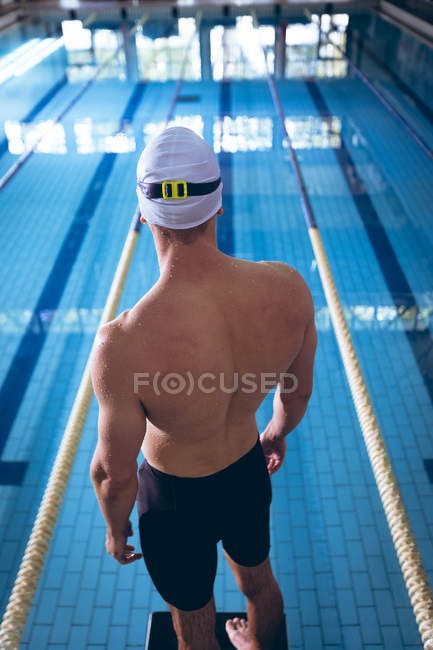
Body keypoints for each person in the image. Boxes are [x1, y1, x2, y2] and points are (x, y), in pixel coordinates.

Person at [90, 127, 317, 650]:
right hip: (245, 474)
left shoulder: (122, 344)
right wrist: (277, 435)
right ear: (218, 205)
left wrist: (115, 524)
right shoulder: (286, 289)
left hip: (173, 501)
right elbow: (296, 393)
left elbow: (113, 472)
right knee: (260, 583)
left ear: (144, 215)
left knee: (194, 624)